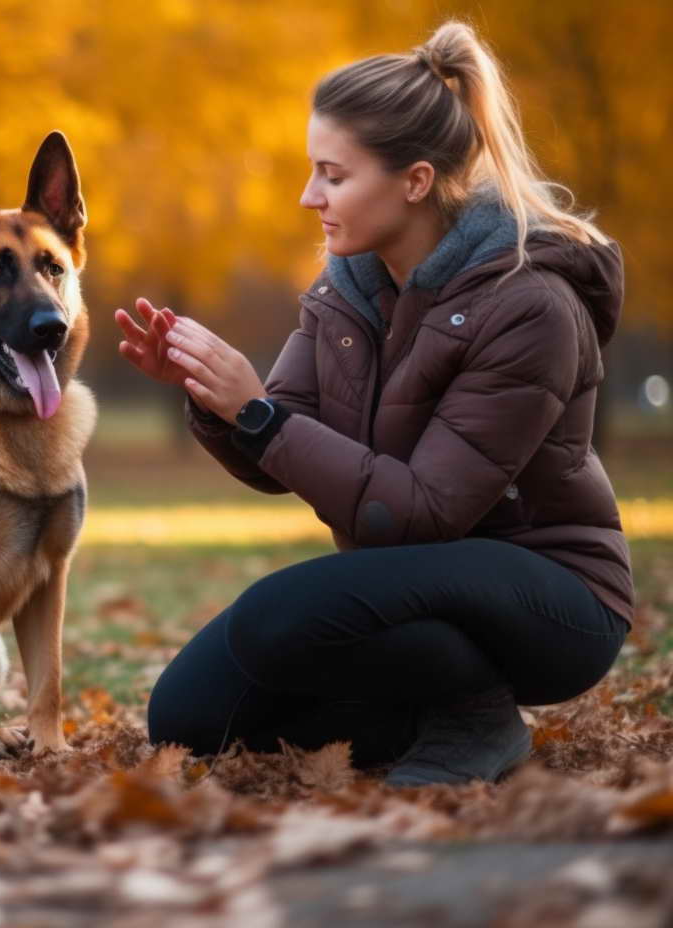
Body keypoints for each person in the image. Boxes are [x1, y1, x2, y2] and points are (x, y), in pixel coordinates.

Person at [115, 20, 632, 787]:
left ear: (415, 181)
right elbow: (276, 448)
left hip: (550, 597)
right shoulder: (345, 290)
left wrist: (257, 413)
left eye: (333, 174)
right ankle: (423, 712)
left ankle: (477, 720)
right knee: (190, 719)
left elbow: (423, 511)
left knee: (274, 617)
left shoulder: (530, 306)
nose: (308, 196)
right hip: (409, 585)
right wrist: (209, 391)